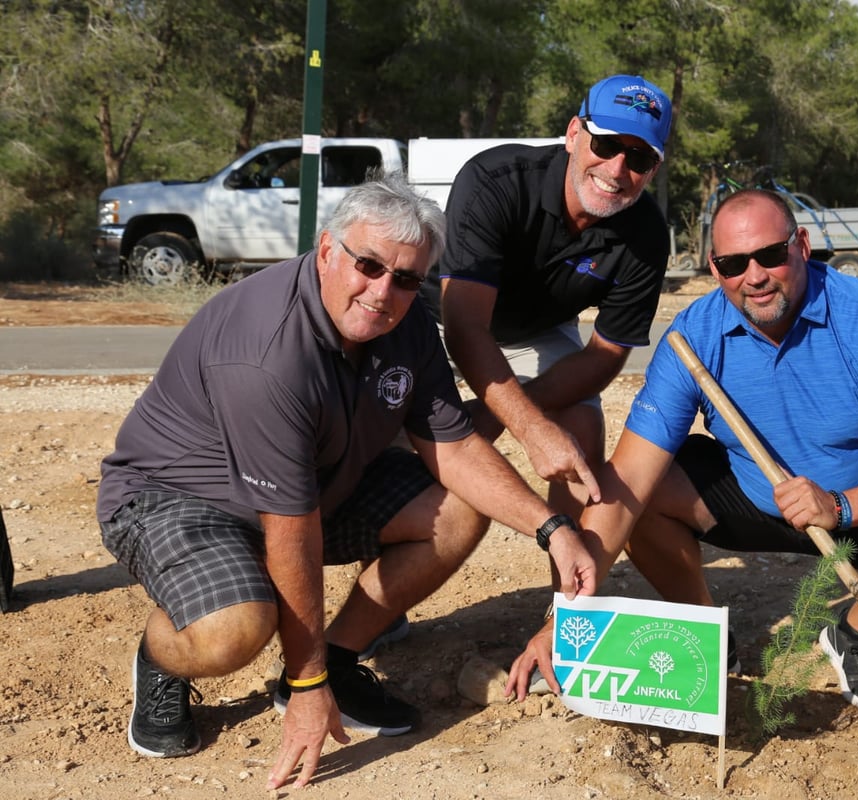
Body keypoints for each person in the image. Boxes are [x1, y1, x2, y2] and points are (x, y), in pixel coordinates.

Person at [96, 170, 596, 789]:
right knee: (235, 630)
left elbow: (455, 445)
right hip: (180, 498)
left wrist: (553, 529)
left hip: (315, 484)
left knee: (457, 508)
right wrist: (309, 693)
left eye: (407, 278)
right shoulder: (268, 354)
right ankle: (161, 659)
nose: (383, 291)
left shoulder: (405, 320)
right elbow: (290, 532)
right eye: (369, 265)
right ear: (328, 249)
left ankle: (339, 653)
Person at [506, 188, 858, 716]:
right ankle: (707, 633)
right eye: (734, 263)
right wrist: (566, 618)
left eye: (770, 255)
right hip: (755, 498)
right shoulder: (693, 337)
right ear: (715, 268)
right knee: (638, 494)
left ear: (801, 245)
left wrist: (841, 505)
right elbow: (627, 482)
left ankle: (854, 632)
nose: (754, 276)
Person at [420, 73, 673, 517]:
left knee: (581, 427)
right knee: (393, 430)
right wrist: (527, 426)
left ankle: (571, 584)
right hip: (439, 318)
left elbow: (605, 356)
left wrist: (502, 414)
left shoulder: (648, 235)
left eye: (638, 157)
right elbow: (464, 327)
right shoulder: (495, 180)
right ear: (574, 134)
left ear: (653, 169)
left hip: (534, 331)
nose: (616, 169)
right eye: (607, 144)